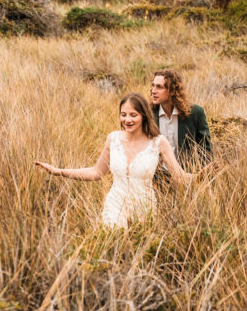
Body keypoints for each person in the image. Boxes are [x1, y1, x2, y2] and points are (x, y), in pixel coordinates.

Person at [35, 92, 191, 228]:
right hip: (115, 204)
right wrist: (59, 171)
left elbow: (179, 176)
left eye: (133, 115)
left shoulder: (158, 142)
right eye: (123, 114)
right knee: (113, 243)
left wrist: (201, 177)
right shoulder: (113, 138)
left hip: (145, 208)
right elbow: (97, 172)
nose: (127, 120)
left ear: (144, 116)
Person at [150, 69, 212, 172]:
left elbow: (205, 149)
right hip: (157, 177)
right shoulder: (148, 114)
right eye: (153, 86)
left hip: (187, 177)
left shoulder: (195, 113)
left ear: (173, 91)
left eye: (159, 87)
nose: (153, 91)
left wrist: (200, 173)